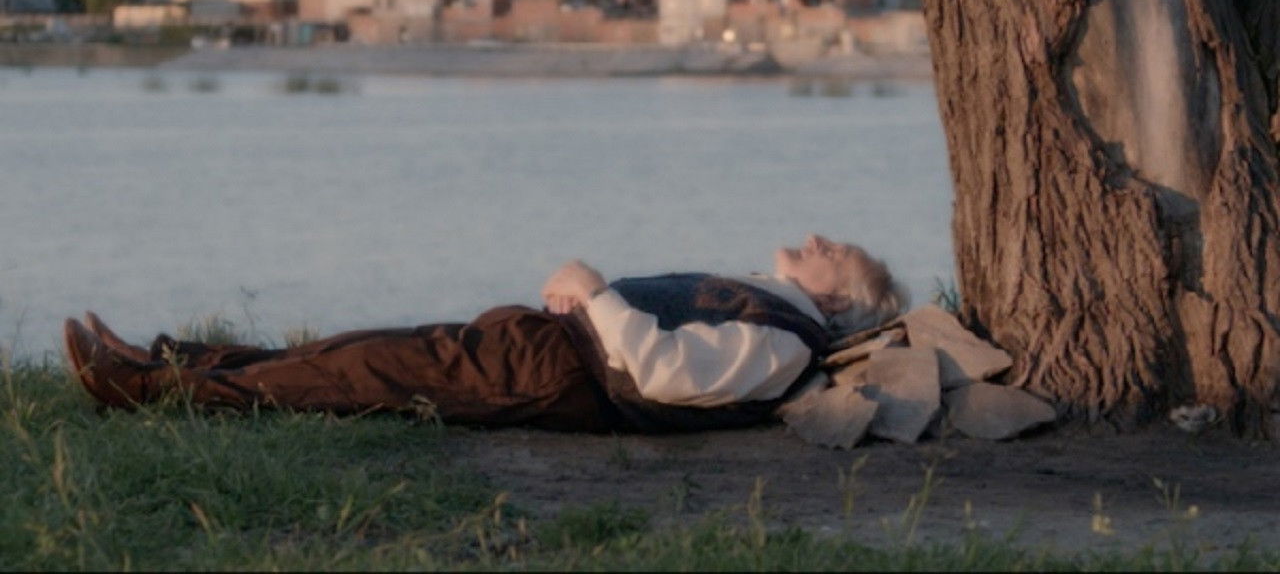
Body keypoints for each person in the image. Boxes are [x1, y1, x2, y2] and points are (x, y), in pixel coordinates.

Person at [63, 234, 907, 433]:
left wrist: (595, 291)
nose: (821, 240)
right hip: (541, 345)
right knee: (350, 350)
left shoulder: (784, 341)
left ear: (838, 302)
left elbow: (663, 372)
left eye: (840, 253)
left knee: (358, 377)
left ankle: (146, 391)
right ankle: (163, 358)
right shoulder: (768, 303)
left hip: (551, 371)